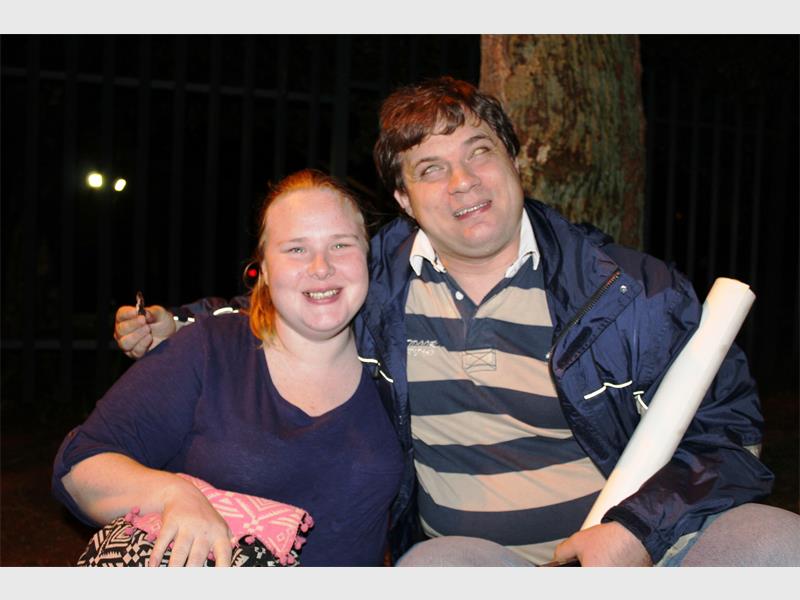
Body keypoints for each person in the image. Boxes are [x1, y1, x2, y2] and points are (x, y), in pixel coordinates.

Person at [113, 77, 800, 566]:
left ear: (514, 161)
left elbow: (731, 436)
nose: (463, 182)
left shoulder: (629, 294)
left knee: (777, 544)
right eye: (431, 169)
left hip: (643, 547)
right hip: (476, 562)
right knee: (432, 573)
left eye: (479, 152)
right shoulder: (374, 284)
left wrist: (636, 532)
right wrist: (180, 322)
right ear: (403, 198)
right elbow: (291, 294)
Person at [53, 169, 404, 567]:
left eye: (340, 244)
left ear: (367, 257)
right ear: (264, 270)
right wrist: (172, 495)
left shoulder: (395, 366)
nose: (321, 266)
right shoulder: (209, 350)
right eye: (296, 249)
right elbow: (78, 467)